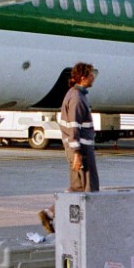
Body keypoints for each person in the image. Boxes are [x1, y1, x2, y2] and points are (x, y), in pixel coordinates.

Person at [38, 62, 99, 233]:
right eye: (91, 74)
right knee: (88, 188)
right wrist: (77, 153)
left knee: (77, 187)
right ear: (83, 77)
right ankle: (86, 226)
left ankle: (50, 213)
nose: (93, 77)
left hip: (78, 149)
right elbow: (73, 128)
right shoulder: (77, 99)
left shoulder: (75, 95)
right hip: (82, 150)